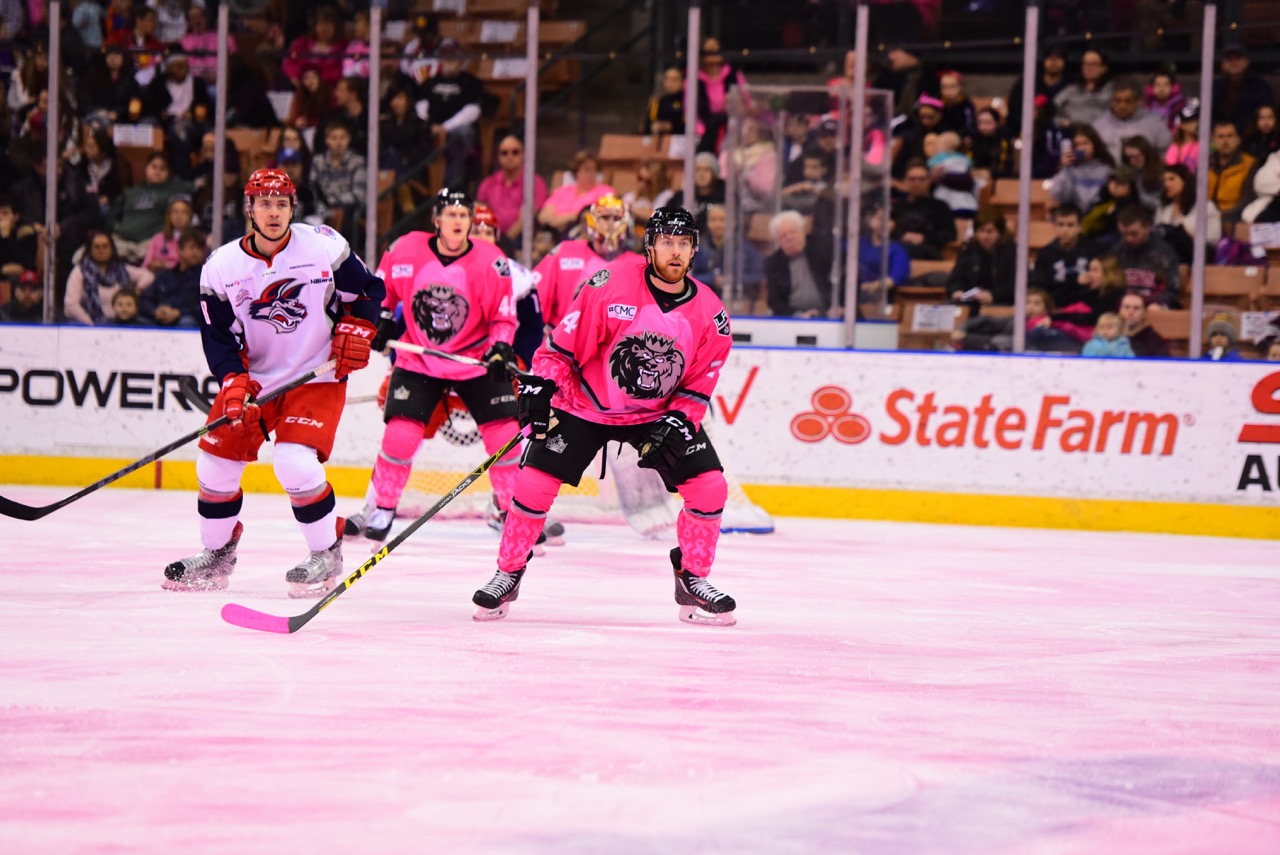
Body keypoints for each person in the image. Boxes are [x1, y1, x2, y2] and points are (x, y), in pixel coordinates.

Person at [470, 207, 738, 626]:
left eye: (683, 244)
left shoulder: (710, 312)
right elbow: (561, 349)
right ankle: (507, 572)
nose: (675, 251)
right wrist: (544, 385)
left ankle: (693, 578)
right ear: (650, 246)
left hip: (657, 413)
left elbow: (700, 380)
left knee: (710, 488)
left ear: (694, 250)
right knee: (533, 483)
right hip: (585, 405)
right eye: (667, 242)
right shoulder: (610, 285)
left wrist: (682, 419)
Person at [162, 168, 385, 596]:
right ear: (249, 209)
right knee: (214, 464)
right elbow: (219, 338)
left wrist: (360, 329)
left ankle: (326, 552)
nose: (273, 212)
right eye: (264, 203)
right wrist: (232, 381)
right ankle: (216, 555)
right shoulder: (221, 267)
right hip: (257, 379)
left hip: (316, 373)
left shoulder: (323, 245)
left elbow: (371, 292)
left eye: (281, 204)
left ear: (292, 208)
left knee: (294, 462)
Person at [341, 190, 522, 544]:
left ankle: (510, 511)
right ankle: (382, 506)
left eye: (464, 215)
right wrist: (381, 321)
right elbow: (382, 291)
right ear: (436, 220)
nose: (458, 221)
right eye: (451, 214)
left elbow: (503, 315)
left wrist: (501, 346)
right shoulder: (405, 249)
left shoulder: (492, 260)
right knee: (400, 435)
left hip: (474, 360)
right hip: (419, 358)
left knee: (506, 440)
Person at [534, 193, 643, 331]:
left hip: (617, 342)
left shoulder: (639, 265)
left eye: (616, 218)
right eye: (605, 217)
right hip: (562, 337)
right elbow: (537, 298)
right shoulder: (564, 252)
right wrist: (540, 332)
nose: (610, 224)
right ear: (590, 222)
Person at [420, 38, 485, 191]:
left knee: (463, 133)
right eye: (445, 54)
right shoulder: (430, 82)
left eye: (453, 55)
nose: (448, 59)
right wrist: (430, 126)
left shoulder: (471, 82)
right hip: (431, 129)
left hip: (455, 131)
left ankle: (452, 185)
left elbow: (472, 112)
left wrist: (444, 128)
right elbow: (420, 106)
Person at [64, 230, 155, 325]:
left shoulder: (121, 269)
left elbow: (148, 276)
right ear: (90, 249)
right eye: (96, 247)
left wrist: (137, 290)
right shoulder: (80, 271)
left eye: (105, 246)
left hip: (121, 323)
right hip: (90, 324)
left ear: (111, 249)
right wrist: (91, 325)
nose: (101, 250)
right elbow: (71, 305)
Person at [477, 134, 548, 250]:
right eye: (504, 153)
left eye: (515, 152)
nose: (509, 156)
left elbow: (526, 218)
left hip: (520, 239)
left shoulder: (534, 182)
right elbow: (480, 215)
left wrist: (504, 242)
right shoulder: (488, 183)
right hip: (490, 237)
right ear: (498, 157)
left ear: (523, 154)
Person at [690, 203, 763, 308]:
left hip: (738, 300)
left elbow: (758, 276)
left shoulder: (745, 249)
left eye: (722, 220)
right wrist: (712, 279)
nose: (717, 224)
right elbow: (689, 276)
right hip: (703, 301)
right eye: (713, 220)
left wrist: (734, 280)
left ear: (732, 222)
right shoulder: (699, 248)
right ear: (707, 223)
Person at [764, 209, 835, 318]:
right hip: (794, 318)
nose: (789, 238)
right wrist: (798, 315)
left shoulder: (823, 251)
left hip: (829, 314)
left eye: (793, 232)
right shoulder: (774, 263)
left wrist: (839, 306)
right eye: (783, 235)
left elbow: (844, 280)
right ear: (777, 240)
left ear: (803, 231)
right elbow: (775, 302)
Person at [946, 207, 1016, 309]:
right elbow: (956, 278)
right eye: (980, 231)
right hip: (970, 302)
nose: (984, 236)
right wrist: (957, 290)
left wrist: (993, 295)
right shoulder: (968, 249)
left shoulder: (1012, 251)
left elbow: (1015, 285)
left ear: (1000, 232)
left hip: (1000, 302)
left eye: (990, 231)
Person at [1113, 204, 1180, 307]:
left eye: (1134, 234)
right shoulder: (1117, 251)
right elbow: (1109, 288)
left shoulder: (1163, 252)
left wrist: (1154, 302)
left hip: (1154, 307)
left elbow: (1172, 291)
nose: (1129, 239)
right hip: (1123, 308)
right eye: (1125, 234)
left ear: (1147, 228)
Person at [537, 150, 614, 238]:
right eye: (586, 170)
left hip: (582, 235)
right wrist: (554, 222)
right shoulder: (562, 191)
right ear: (577, 172)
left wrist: (566, 218)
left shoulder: (605, 191)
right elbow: (543, 216)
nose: (591, 174)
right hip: (553, 233)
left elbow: (599, 215)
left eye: (594, 170)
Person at [1030, 204, 1094, 307]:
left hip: (1088, 307)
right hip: (1056, 308)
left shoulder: (1093, 250)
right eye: (1060, 225)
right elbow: (1040, 288)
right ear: (1054, 226)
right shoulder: (1045, 254)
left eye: (1070, 225)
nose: (1065, 230)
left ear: (1080, 227)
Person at [1093, 80, 1171, 164]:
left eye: (1128, 101)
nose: (1122, 106)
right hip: (1106, 174)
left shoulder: (1155, 124)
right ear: (1111, 102)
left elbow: (1166, 154)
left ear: (1138, 102)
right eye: (1117, 101)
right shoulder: (1098, 125)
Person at [892, 159, 957, 259]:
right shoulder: (898, 207)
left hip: (928, 249)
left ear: (929, 181)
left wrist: (924, 238)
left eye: (921, 179)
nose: (917, 183)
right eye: (912, 179)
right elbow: (892, 231)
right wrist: (902, 236)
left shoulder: (940, 206)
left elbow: (949, 234)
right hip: (899, 246)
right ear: (905, 181)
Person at [1156, 163, 1221, 264]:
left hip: (1196, 258)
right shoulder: (1164, 209)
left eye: (1171, 179)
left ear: (1185, 181)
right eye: (1164, 180)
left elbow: (1213, 239)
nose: (1166, 184)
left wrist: (1186, 231)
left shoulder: (1206, 207)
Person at [140, 227, 203, 326]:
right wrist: (155, 311)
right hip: (160, 317)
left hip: (186, 320)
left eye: (199, 249)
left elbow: (206, 307)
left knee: (186, 322)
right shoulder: (165, 276)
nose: (196, 252)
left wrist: (179, 313)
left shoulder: (205, 277)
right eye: (192, 247)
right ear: (180, 250)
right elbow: (145, 299)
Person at [1050, 123, 1116, 213]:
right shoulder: (1071, 169)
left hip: (1098, 216)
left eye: (1085, 143)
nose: (1082, 148)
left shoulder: (1106, 169)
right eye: (1077, 145)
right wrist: (1064, 168)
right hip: (1074, 215)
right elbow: (1057, 194)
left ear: (1094, 144)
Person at [1212, 44, 1275, 135]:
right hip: (1218, 133)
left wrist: (1235, 128)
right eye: (1229, 59)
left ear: (1246, 62)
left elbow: (1263, 115)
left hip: (1249, 135)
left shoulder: (1260, 86)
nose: (1234, 63)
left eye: (1238, 58)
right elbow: (1207, 112)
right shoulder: (1216, 86)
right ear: (1223, 64)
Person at [1207, 120, 1258, 225]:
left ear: (1238, 139)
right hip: (1207, 216)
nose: (1225, 141)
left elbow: (1248, 200)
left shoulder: (1249, 164)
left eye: (1230, 136)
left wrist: (1220, 215)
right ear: (1213, 141)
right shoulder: (1204, 165)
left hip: (1235, 217)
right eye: (1220, 137)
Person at [1053, 48, 1114, 129]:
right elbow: (1052, 111)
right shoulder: (1071, 89)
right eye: (1085, 64)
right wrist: (1062, 122)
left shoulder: (1112, 90)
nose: (1088, 68)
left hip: (1100, 133)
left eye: (1093, 64)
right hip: (1071, 132)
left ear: (1104, 68)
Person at [141, 195, 195, 273]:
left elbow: (192, 266)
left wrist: (167, 265)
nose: (179, 216)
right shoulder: (158, 238)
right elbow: (146, 265)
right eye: (175, 212)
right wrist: (153, 265)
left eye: (184, 212)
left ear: (190, 216)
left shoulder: (196, 239)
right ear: (169, 215)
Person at [1118, 291, 1170, 357]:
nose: (1130, 312)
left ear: (1144, 313)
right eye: (1126, 307)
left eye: (1136, 308)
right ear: (1119, 311)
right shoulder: (1110, 336)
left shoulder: (1153, 340)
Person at [644, 66, 689, 135]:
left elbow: (689, 124)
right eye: (667, 79)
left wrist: (671, 126)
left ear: (682, 82)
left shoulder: (687, 101)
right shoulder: (657, 102)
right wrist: (653, 126)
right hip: (658, 140)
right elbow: (648, 123)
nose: (670, 83)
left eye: (674, 80)